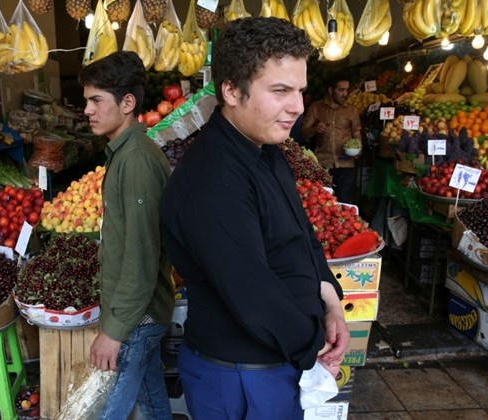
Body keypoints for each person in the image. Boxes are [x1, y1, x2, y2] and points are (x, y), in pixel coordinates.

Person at [159, 18, 349, 419]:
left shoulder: (265, 148)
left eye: (299, 90)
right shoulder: (211, 180)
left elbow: (302, 235)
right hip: (240, 376)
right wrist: (313, 345)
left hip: (276, 363)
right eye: (280, 91)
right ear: (231, 90)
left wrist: (331, 301)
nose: (297, 107)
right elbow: (252, 293)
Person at [79, 51, 174, 420]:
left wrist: (114, 332)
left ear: (128, 103)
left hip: (137, 318)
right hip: (137, 312)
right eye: (87, 100)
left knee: (106, 410)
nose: (87, 109)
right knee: (150, 401)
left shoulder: (135, 160)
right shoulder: (125, 153)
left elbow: (142, 254)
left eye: (96, 100)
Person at [301, 74, 362, 204]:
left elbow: (356, 133)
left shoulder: (351, 111)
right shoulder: (316, 108)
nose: (345, 93)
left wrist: (358, 149)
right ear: (330, 90)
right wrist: (315, 129)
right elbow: (303, 132)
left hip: (346, 165)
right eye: (341, 90)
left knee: (345, 204)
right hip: (323, 165)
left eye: (347, 90)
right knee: (321, 203)